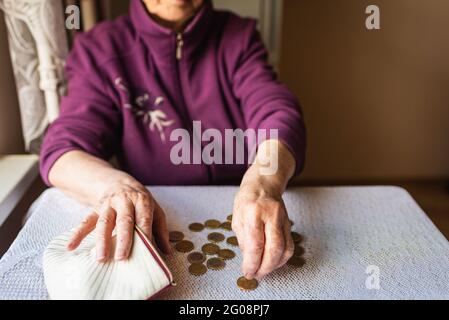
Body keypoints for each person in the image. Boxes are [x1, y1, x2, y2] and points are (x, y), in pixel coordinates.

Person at [40, 0, 306, 280]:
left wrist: (263, 182)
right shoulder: (99, 49)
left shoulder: (238, 34)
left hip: (240, 199)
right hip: (164, 210)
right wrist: (118, 187)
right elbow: (63, 150)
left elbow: (277, 113)